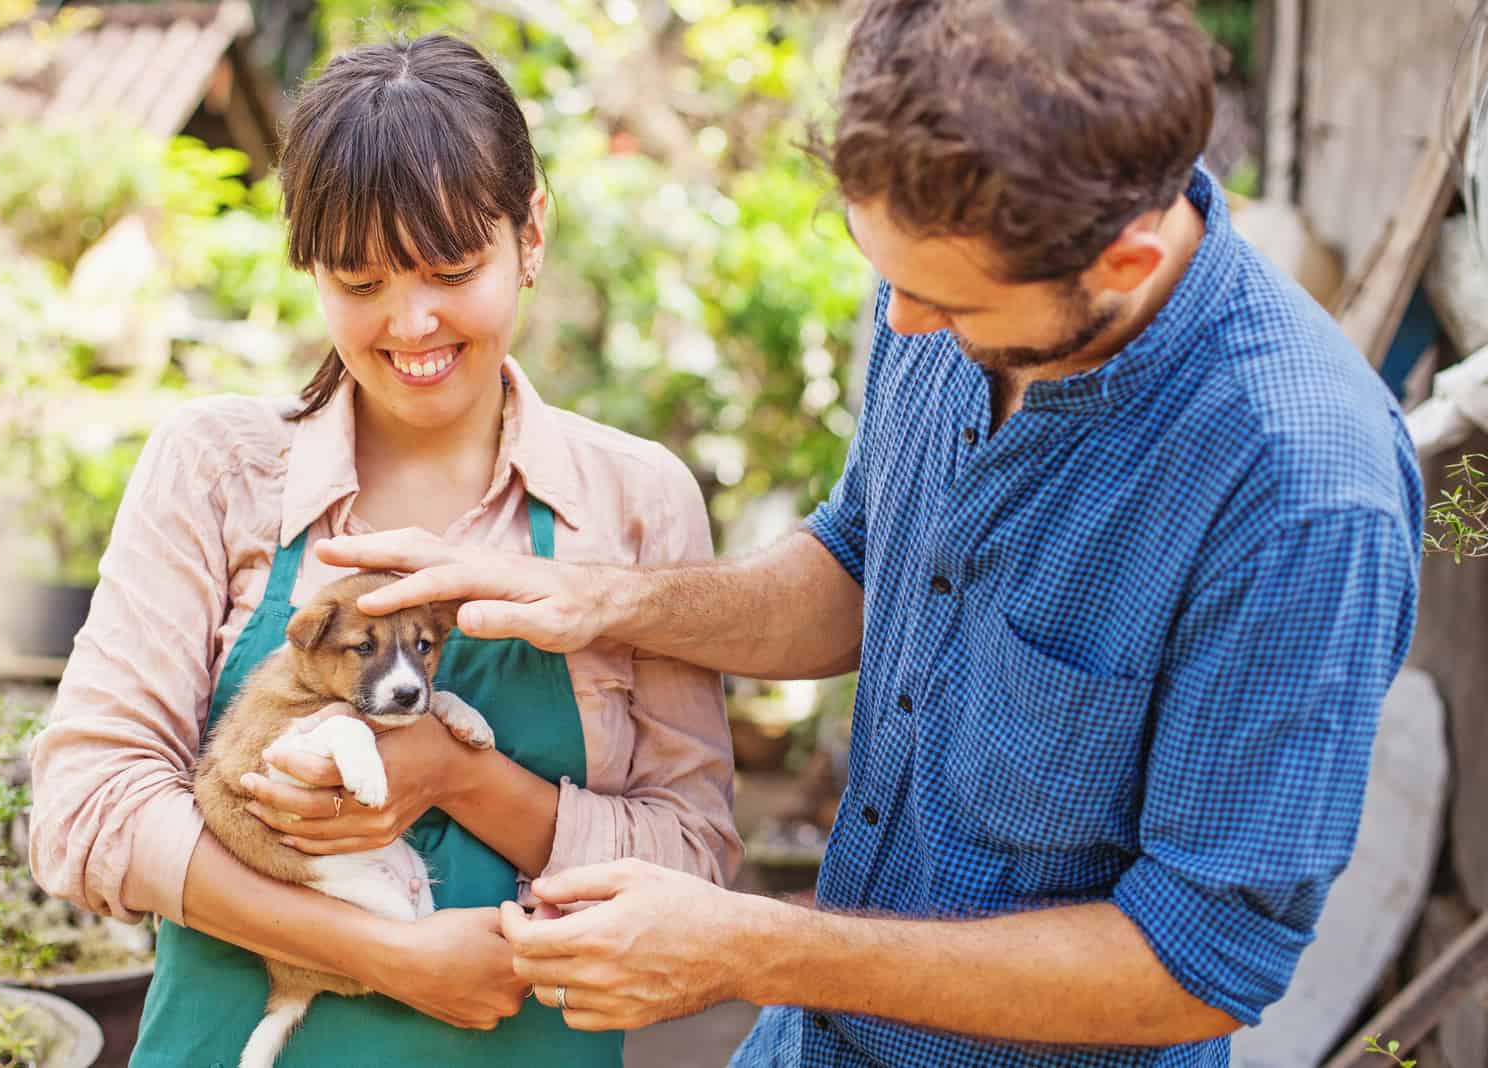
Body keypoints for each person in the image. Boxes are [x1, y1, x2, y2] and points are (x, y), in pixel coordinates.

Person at [317, 2, 1425, 1066]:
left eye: (950, 308)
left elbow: (1196, 959)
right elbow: (862, 563)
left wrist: (754, 947)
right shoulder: (953, 265)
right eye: (890, 279)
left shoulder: (1301, 491)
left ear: (1123, 263)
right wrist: (610, 600)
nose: (903, 325)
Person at [27, 33, 740, 1068]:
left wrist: (451, 774)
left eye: (452, 270)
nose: (411, 324)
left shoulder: (631, 505)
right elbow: (86, 808)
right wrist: (381, 952)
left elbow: (697, 863)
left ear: (529, 233)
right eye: (357, 282)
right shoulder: (220, 472)